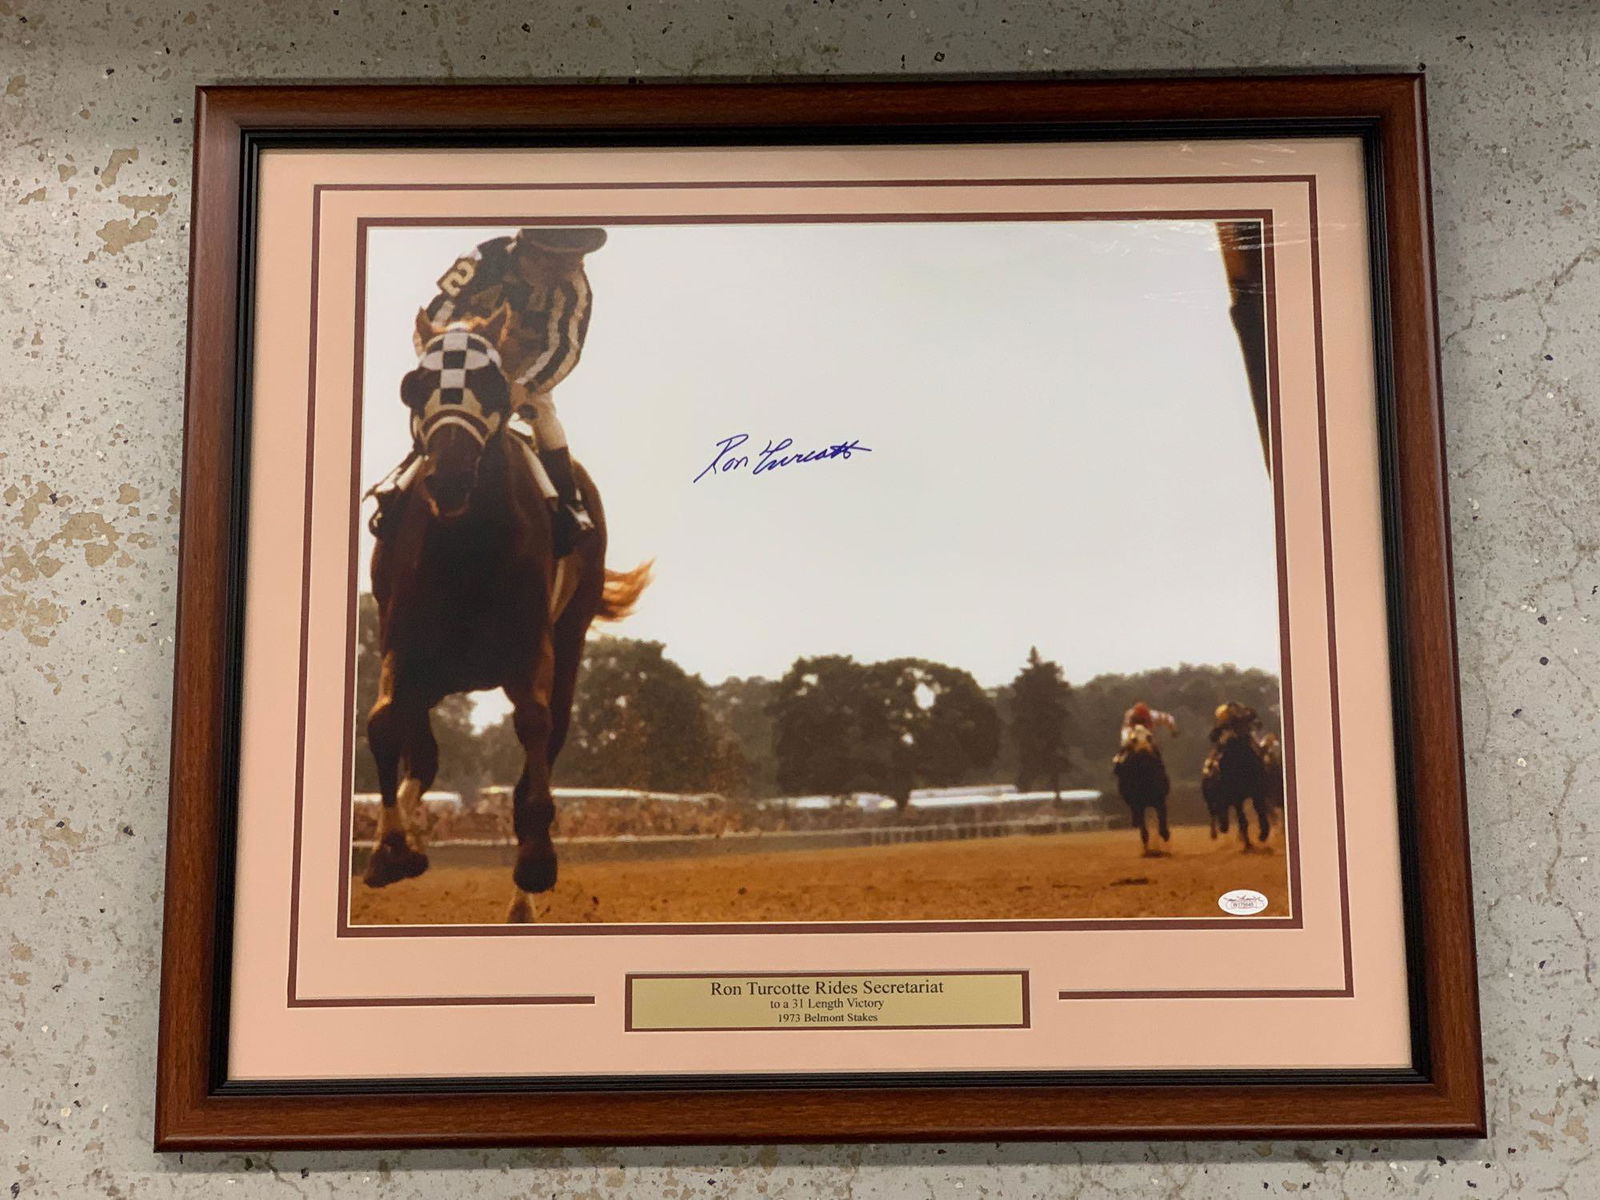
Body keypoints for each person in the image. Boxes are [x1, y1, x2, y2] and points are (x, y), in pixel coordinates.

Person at [370, 226, 608, 555]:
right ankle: (398, 484)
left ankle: (569, 506)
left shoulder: (574, 288)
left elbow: (564, 348)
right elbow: (440, 308)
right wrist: (444, 356)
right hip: (458, 346)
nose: (565, 269)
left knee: (543, 414)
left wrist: (527, 386)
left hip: (523, 365)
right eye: (556, 260)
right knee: (442, 406)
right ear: (530, 250)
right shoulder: (482, 258)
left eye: (572, 259)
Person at [1113, 701, 1178, 765]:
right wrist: (1127, 740)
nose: (1142, 722)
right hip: (1133, 734)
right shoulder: (1130, 717)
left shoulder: (1153, 715)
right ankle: (1119, 759)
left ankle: (1159, 764)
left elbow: (1169, 718)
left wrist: (1173, 730)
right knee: (1127, 746)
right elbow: (1125, 731)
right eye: (1139, 720)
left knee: (1155, 748)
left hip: (1148, 735)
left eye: (1143, 720)